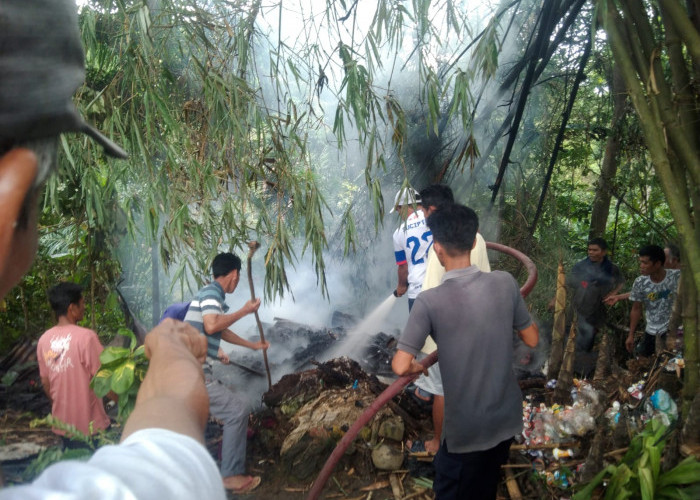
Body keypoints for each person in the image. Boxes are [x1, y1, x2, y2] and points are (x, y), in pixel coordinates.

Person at [0, 1, 226, 498]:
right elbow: (168, 438)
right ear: (11, 195)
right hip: (96, 426)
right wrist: (169, 348)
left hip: (62, 425)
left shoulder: (43, 342)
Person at [392, 204, 538, 500]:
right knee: (484, 485)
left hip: (467, 433)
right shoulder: (505, 282)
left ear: (436, 247)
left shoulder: (429, 301)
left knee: (452, 489)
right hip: (506, 421)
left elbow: (399, 365)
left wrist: (418, 368)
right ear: (474, 242)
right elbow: (532, 339)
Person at [409, 185, 490, 455]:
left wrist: (416, 351)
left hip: (443, 337)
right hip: (472, 332)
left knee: (442, 392)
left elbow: (431, 294)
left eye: (423, 209)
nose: (421, 214)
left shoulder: (440, 246)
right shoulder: (475, 238)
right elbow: (485, 284)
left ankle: (438, 444)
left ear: (433, 210)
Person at [184, 252, 269, 494]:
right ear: (234, 274)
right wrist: (244, 311)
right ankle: (230, 475)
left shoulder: (209, 294)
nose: (238, 281)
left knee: (195, 421)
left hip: (184, 372)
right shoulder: (212, 293)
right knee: (237, 411)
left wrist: (252, 346)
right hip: (194, 373)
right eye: (238, 277)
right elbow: (212, 324)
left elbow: (217, 330)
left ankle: (194, 477)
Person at [36, 282, 111, 443]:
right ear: (72, 308)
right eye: (82, 303)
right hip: (93, 429)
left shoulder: (43, 340)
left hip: (63, 428)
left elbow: (46, 383)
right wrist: (129, 406)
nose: (84, 307)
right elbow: (105, 379)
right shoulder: (86, 338)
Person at [563, 237, 624, 352]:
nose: (591, 252)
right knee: (570, 336)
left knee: (589, 338)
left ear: (604, 252)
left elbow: (621, 282)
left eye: (595, 250)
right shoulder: (580, 266)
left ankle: (583, 362)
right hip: (578, 306)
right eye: (589, 250)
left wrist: (613, 293)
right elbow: (567, 284)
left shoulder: (611, 268)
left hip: (596, 310)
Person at [625, 245, 681, 357]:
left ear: (658, 264)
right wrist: (631, 334)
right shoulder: (640, 282)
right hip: (651, 331)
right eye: (640, 262)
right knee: (643, 362)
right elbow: (636, 309)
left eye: (645, 263)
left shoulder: (677, 277)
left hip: (672, 330)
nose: (641, 266)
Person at [391, 187, 432, 310]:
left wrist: (401, 287)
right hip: (442, 286)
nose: (400, 215)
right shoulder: (436, 217)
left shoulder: (398, 233)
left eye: (398, 210)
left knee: (421, 330)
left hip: (418, 292)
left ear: (403, 207)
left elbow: (403, 266)